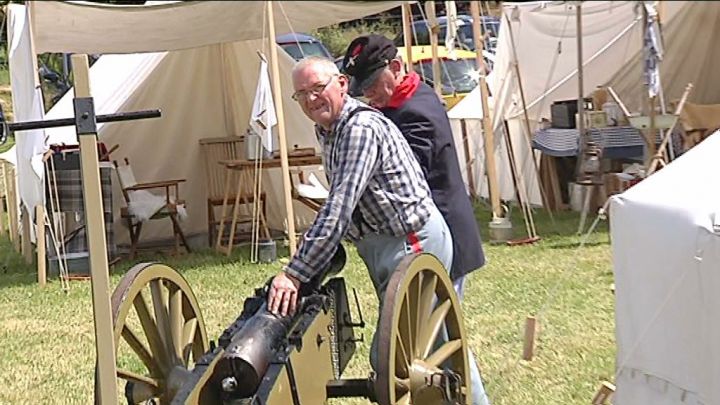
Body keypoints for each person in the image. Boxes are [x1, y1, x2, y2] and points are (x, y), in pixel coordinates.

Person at [266, 56, 454, 378]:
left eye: (317, 88)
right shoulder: (329, 129)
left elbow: (339, 207)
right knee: (434, 347)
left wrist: (294, 274)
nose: (311, 99)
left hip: (412, 243)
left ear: (341, 84)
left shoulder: (360, 128)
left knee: (394, 359)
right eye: (301, 94)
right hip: (381, 245)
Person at [341, 34, 490, 405]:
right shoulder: (401, 103)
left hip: (440, 237)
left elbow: (406, 183)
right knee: (430, 339)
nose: (371, 96)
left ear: (395, 68)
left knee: (438, 338)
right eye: (366, 89)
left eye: (374, 85)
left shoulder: (416, 112)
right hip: (417, 237)